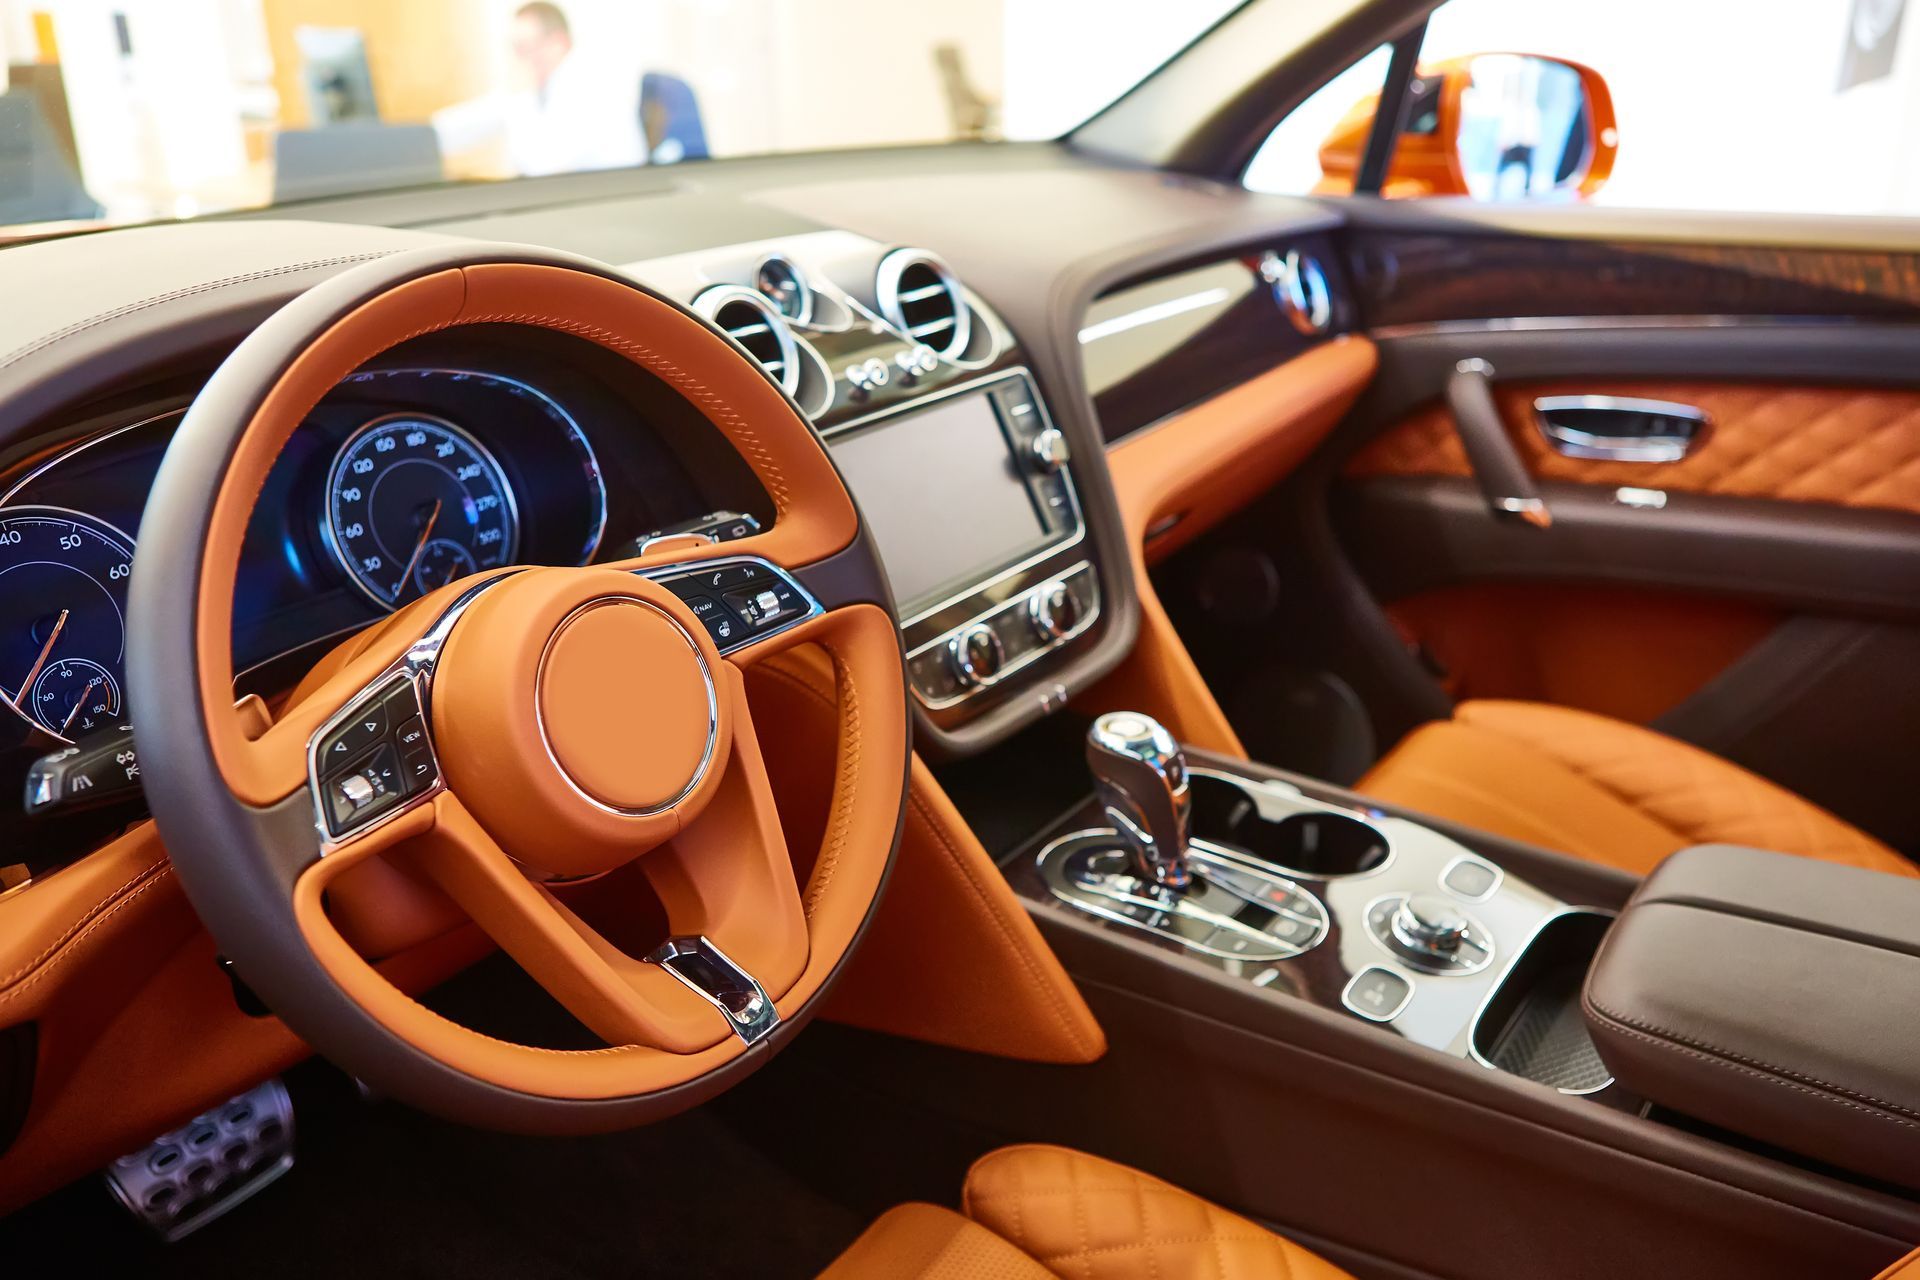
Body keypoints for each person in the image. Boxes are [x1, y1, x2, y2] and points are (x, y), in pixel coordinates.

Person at [433, 2, 645, 178]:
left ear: (558, 42)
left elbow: (542, 167)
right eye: (515, 47)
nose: (519, 57)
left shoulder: (591, 86)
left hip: (608, 200)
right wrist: (422, 136)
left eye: (524, 46)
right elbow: (472, 122)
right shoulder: (538, 90)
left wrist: (518, 99)